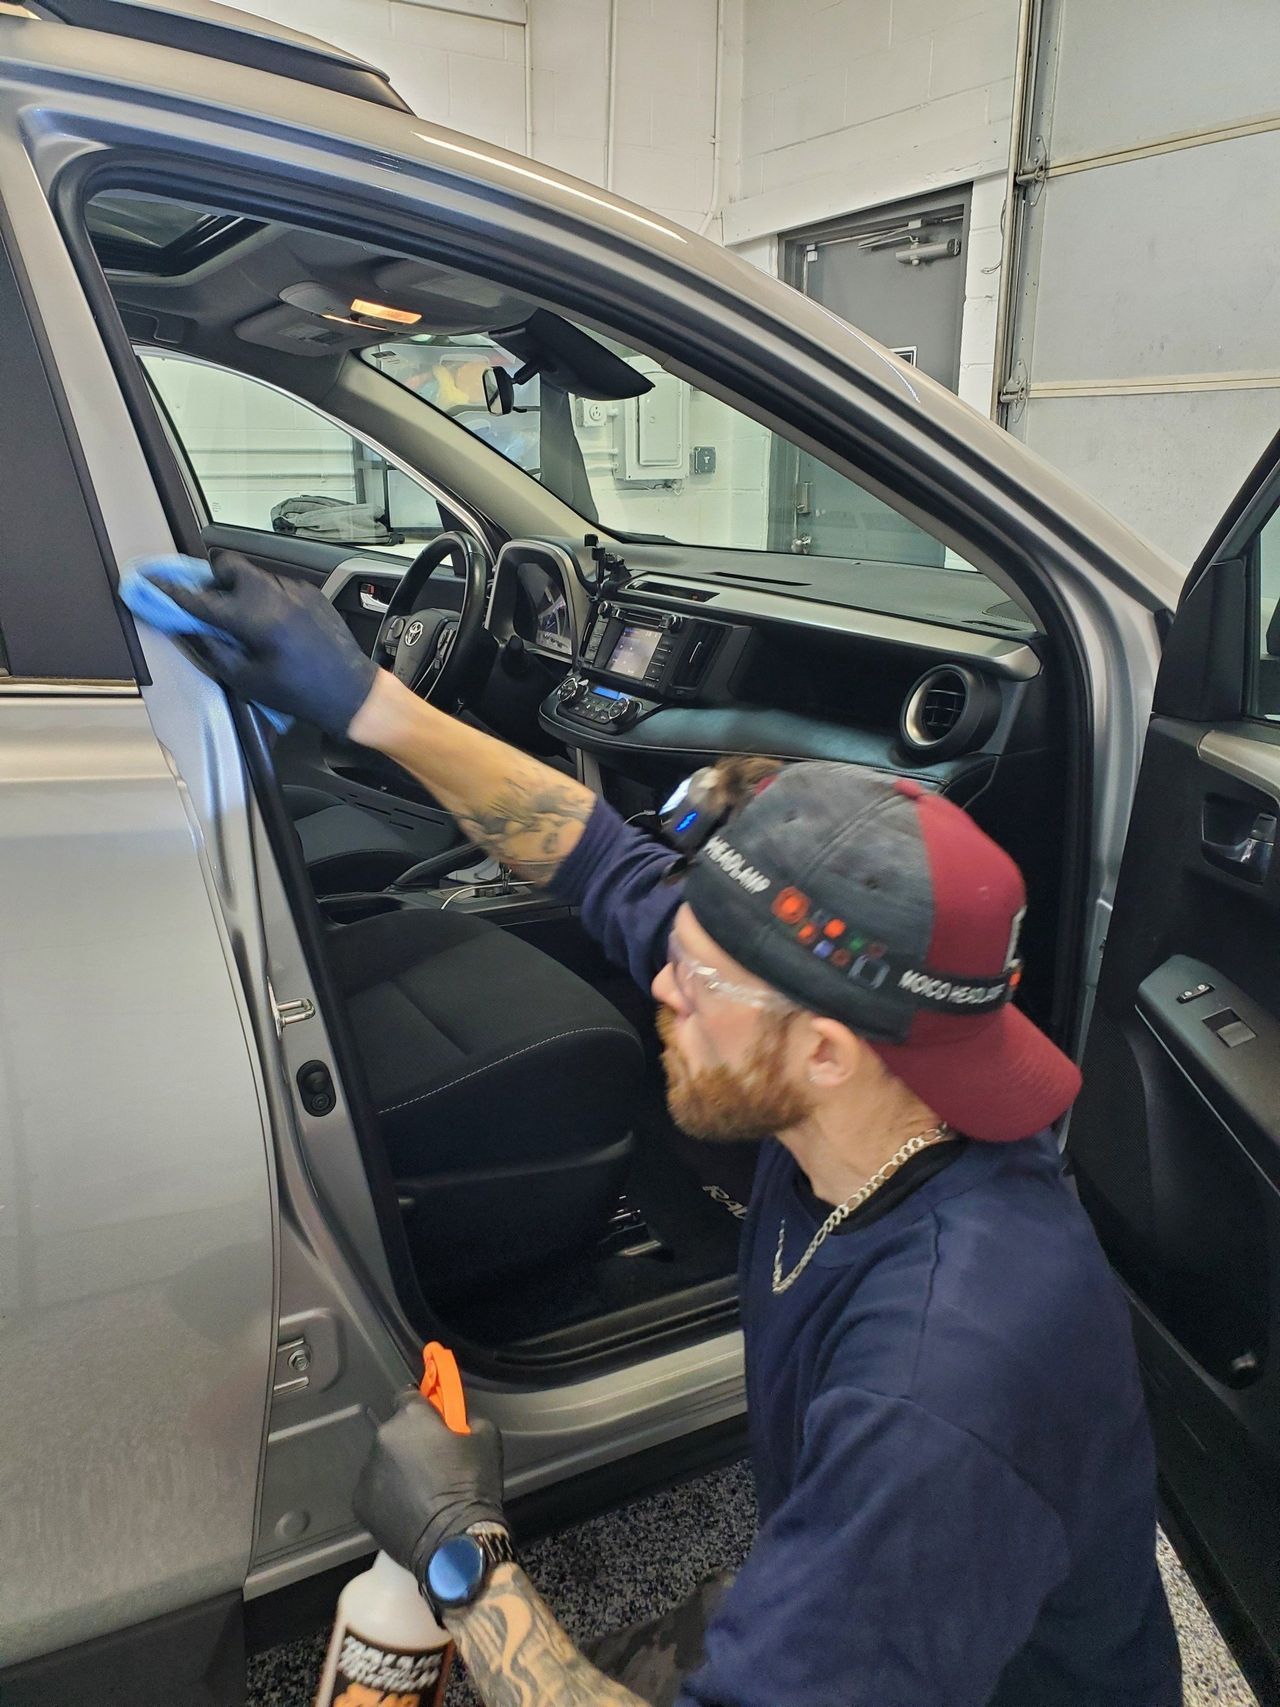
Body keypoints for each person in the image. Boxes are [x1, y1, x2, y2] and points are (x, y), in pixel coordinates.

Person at [126, 554, 1184, 1707]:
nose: (662, 986)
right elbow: (586, 850)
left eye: (696, 977)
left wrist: (461, 1557)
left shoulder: (941, 1382)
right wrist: (367, 702)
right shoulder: (866, 1091)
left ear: (827, 1048)